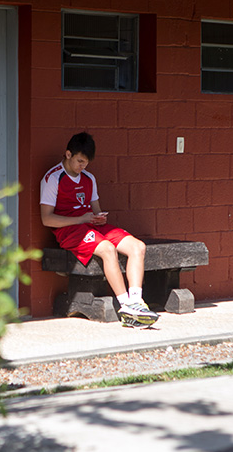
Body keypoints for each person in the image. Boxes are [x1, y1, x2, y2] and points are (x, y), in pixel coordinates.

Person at [40, 132, 159, 327]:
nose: (82, 166)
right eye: (79, 161)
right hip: (69, 230)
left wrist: (97, 217)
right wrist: (81, 219)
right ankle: (126, 306)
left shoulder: (88, 178)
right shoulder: (53, 178)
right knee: (107, 249)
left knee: (138, 247)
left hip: (90, 226)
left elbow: (95, 210)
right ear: (68, 154)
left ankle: (137, 301)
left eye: (86, 163)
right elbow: (47, 219)